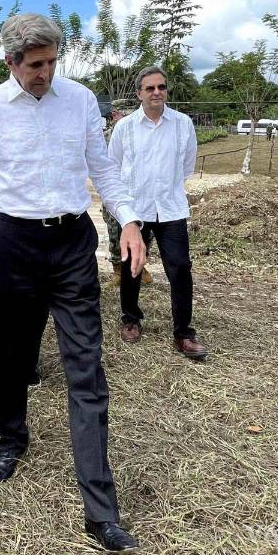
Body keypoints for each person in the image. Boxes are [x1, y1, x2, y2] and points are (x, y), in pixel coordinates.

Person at [0, 13, 145, 553]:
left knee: (86, 364)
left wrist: (128, 219)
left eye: (51, 62)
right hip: (12, 243)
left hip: (71, 244)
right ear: (11, 61)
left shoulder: (81, 100)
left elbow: (102, 168)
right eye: (35, 64)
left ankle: (101, 510)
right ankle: (10, 435)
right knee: (12, 351)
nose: (45, 73)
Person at [108, 66, 206, 360]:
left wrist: (165, 188)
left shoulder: (182, 124)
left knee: (180, 268)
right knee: (131, 266)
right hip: (135, 210)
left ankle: (183, 332)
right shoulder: (125, 127)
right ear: (139, 93)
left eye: (161, 87)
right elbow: (113, 166)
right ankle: (130, 319)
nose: (156, 92)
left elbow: (187, 166)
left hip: (170, 208)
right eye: (150, 88)